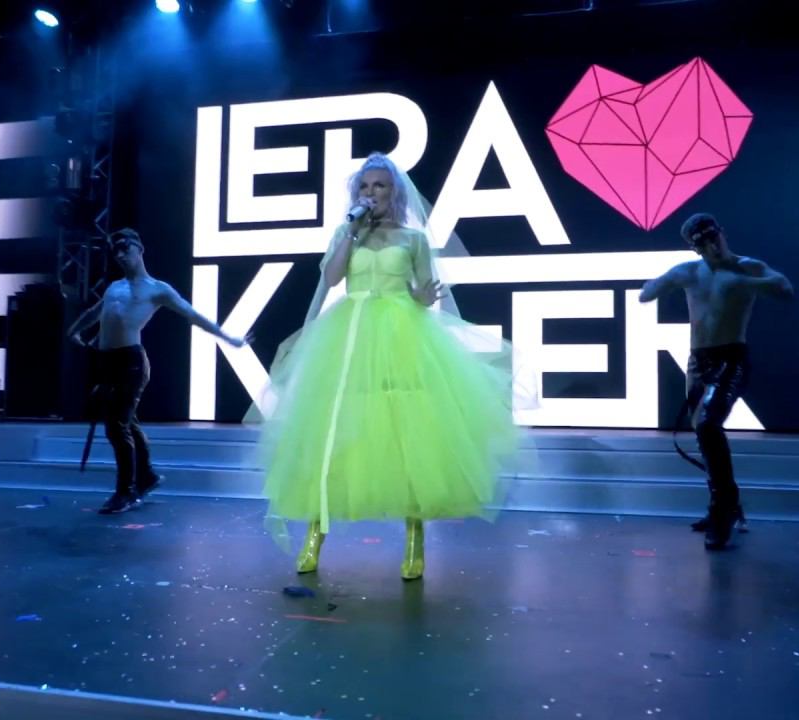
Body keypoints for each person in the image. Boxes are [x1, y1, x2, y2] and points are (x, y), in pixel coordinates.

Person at [253, 152, 523, 580]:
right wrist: (351, 231)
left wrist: (422, 298)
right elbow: (332, 279)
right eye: (364, 186)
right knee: (334, 430)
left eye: (379, 185)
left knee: (406, 431)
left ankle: (415, 537)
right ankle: (314, 536)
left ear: (394, 192)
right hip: (350, 333)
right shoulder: (348, 232)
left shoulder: (413, 239)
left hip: (401, 333)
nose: (371, 192)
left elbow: (423, 290)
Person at [638, 213, 793, 550]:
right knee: (703, 434)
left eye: (714, 237)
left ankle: (723, 510)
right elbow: (645, 294)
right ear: (696, 248)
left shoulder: (747, 267)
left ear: (722, 233)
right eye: (703, 243)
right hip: (698, 362)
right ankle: (724, 504)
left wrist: (745, 283)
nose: (712, 245)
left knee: (709, 425)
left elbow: (784, 288)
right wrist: (659, 285)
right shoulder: (690, 271)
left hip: (730, 359)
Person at [67, 228, 248, 514]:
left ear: (140, 249)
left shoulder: (157, 289)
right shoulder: (114, 287)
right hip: (107, 361)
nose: (121, 255)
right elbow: (96, 313)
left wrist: (229, 338)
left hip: (131, 362)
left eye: (125, 248)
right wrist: (75, 330)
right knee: (127, 422)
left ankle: (126, 492)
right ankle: (147, 475)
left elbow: (192, 315)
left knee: (117, 426)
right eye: (116, 251)